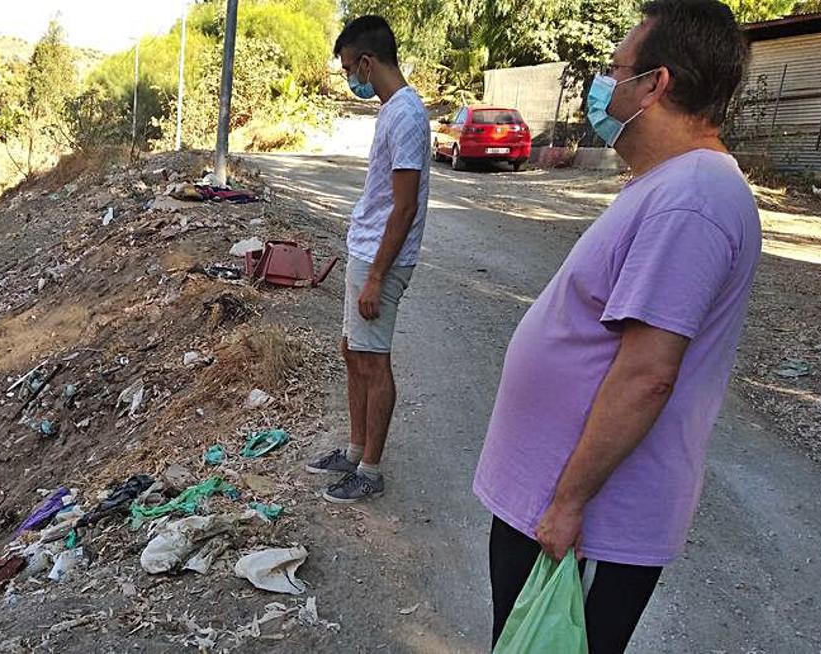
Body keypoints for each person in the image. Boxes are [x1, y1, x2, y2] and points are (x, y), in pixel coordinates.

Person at [472, 1, 758, 651]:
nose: (603, 86)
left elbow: (648, 374)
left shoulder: (693, 199)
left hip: (585, 522)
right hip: (557, 511)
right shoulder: (672, 185)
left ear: (655, 83)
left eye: (614, 70)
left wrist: (569, 503)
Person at [304, 15, 430, 504]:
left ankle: (370, 471)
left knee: (374, 362)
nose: (348, 78)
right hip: (366, 252)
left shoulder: (407, 115)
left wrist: (377, 276)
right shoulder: (391, 111)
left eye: (348, 69)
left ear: (366, 61)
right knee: (353, 352)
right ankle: (355, 451)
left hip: (382, 261)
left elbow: (405, 205)